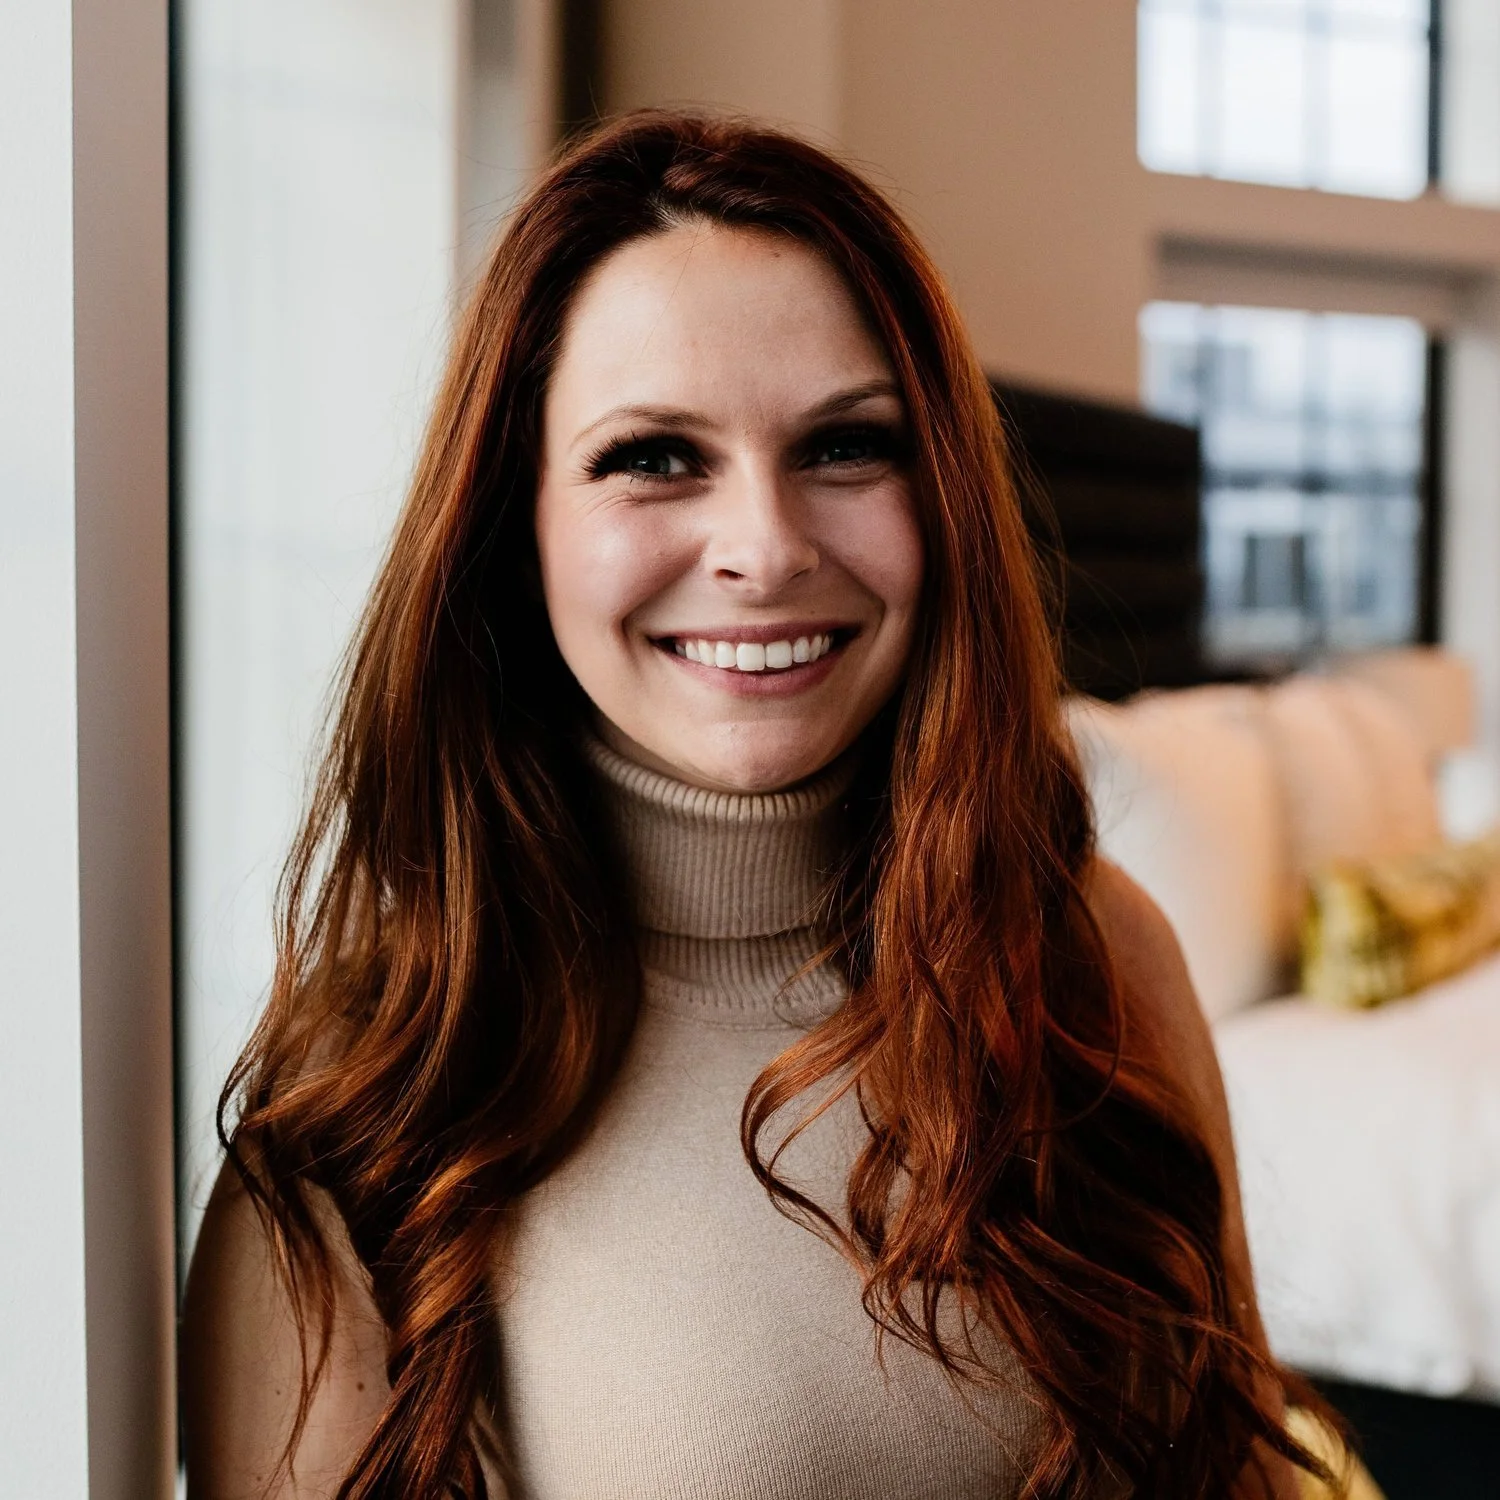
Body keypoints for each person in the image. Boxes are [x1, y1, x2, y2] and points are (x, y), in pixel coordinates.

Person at [181, 110, 1341, 1499]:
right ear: (513, 521)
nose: (767, 548)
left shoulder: (1090, 946)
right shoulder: (376, 1097)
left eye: (845, 446)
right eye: (654, 456)